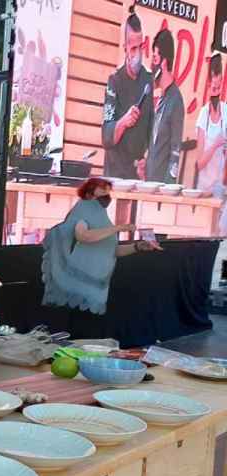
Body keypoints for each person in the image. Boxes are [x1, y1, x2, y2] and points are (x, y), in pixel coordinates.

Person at [42, 178, 161, 315]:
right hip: (77, 285)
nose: (107, 194)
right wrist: (118, 228)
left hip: (95, 287)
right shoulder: (83, 210)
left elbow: (112, 251)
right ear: (89, 193)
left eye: (108, 191)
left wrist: (137, 247)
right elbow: (83, 236)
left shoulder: (101, 217)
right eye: (103, 190)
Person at [103, 7, 154, 179]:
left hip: (137, 176)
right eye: (133, 49)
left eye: (140, 47)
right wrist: (124, 122)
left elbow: (152, 128)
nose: (137, 54)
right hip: (115, 175)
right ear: (125, 48)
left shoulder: (148, 80)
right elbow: (106, 137)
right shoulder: (114, 81)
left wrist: (147, 159)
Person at [140, 29, 184, 183]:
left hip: (161, 188)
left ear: (164, 63)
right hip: (149, 185)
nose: (152, 65)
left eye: (155, 58)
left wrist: (167, 188)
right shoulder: (160, 97)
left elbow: (175, 151)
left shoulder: (176, 101)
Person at [195, 54, 227, 235]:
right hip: (205, 189)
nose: (216, 90)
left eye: (219, 87)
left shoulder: (226, 111)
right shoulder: (203, 115)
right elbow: (199, 164)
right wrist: (215, 145)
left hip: (220, 189)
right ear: (208, 86)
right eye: (213, 87)